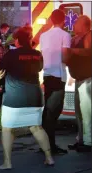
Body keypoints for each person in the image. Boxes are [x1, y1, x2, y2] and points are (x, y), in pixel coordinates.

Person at [0, 26, 54, 170]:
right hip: (35, 96)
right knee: (36, 127)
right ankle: (49, 158)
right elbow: (40, 68)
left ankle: (7, 162)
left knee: (7, 129)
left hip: (15, 98)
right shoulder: (37, 54)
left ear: (16, 41)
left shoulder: (11, 54)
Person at [39, 9, 71, 155]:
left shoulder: (44, 36)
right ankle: (49, 146)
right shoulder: (65, 35)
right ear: (63, 20)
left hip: (47, 75)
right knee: (53, 112)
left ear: (51, 20)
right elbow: (65, 58)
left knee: (48, 111)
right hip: (59, 76)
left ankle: (45, 144)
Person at [62, 15, 92, 152]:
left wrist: (72, 51)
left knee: (87, 113)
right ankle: (80, 139)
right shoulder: (74, 39)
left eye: (77, 23)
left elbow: (89, 52)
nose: (74, 25)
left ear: (84, 25)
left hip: (88, 80)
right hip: (78, 80)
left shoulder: (89, 36)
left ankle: (88, 141)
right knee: (78, 113)